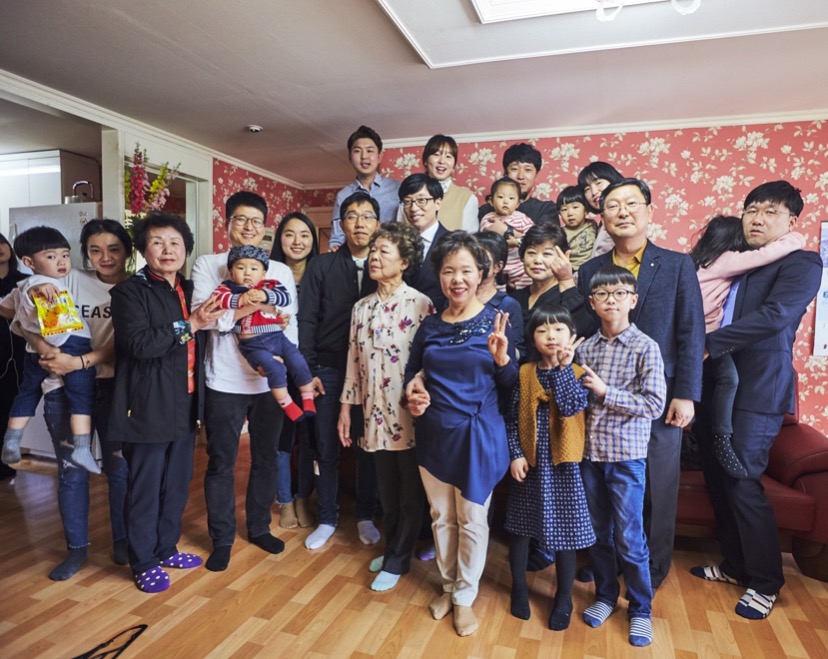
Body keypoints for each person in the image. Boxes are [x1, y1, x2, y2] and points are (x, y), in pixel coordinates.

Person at [691, 181, 821, 620]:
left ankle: (765, 581)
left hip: (758, 389)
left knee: (743, 478)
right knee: (716, 476)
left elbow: (776, 315)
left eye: (770, 211)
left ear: (791, 221)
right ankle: (734, 565)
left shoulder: (802, 262)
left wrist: (708, 344)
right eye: (751, 210)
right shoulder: (737, 260)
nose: (757, 219)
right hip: (712, 383)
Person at [577, 178, 705, 590]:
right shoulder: (590, 270)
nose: (622, 212)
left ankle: (653, 570)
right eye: (612, 205)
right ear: (603, 218)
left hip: (659, 397)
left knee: (657, 488)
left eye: (631, 203)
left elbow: (691, 332)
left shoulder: (677, 264)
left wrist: (685, 393)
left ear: (649, 211)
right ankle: (608, 565)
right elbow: (584, 332)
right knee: (604, 486)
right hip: (603, 401)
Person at [404, 231, 519, 637]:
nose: (457, 279)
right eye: (448, 271)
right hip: (434, 433)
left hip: (478, 436)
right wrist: (413, 392)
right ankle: (450, 587)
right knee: (441, 517)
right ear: (439, 276)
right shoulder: (431, 325)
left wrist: (503, 360)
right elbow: (413, 373)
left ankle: (465, 597)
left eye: (466, 270)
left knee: (471, 519)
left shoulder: (497, 321)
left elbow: (511, 386)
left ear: (481, 274)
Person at [109, 212, 224, 593]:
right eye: (157, 242)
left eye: (175, 242)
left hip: (187, 401)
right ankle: (143, 560)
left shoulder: (191, 289)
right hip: (147, 405)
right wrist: (191, 324)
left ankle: (165, 547)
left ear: (186, 249)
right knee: (145, 487)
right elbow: (140, 344)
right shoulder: (129, 293)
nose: (167, 249)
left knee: (176, 484)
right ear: (143, 250)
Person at [192, 191, 295, 572]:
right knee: (221, 461)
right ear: (227, 223)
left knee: (266, 457)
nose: (249, 227)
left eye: (256, 221)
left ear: (265, 227)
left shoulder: (280, 270)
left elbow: (289, 322)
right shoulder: (209, 264)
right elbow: (208, 319)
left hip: (269, 380)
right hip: (223, 379)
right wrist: (261, 304)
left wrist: (285, 363)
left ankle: (258, 527)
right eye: (240, 219)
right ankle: (221, 538)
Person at [338, 222, 433, 592]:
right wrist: (346, 409)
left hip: (409, 413)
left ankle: (397, 560)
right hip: (373, 413)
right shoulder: (360, 308)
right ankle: (395, 548)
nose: (374, 258)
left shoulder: (421, 304)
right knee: (386, 491)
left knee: (409, 493)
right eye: (373, 251)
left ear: (404, 261)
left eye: (383, 252)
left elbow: (429, 359)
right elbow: (352, 360)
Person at [577, 265, 667, 647]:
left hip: (626, 457)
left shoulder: (646, 347)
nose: (610, 300)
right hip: (589, 455)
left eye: (619, 293)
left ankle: (641, 609)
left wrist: (605, 392)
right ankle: (605, 595)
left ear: (633, 300)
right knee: (598, 532)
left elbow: (655, 404)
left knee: (630, 537)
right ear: (592, 302)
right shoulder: (584, 348)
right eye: (602, 294)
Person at [689, 215, 805, 478]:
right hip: (703, 336)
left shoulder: (698, 261)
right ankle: (721, 438)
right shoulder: (725, 260)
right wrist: (796, 237)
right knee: (728, 378)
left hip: (692, 335)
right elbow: (765, 255)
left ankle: (699, 433)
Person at [299, 191, 380, 550]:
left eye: (367, 216)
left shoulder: (386, 266)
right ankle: (327, 517)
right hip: (328, 368)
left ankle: (366, 514)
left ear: (378, 223)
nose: (360, 223)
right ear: (341, 224)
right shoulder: (322, 266)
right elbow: (306, 320)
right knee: (326, 445)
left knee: (368, 446)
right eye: (352, 216)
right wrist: (307, 370)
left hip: (374, 373)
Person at [505, 305, 594, 631]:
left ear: (572, 336)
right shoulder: (525, 373)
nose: (551, 336)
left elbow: (571, 407)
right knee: (519, 530)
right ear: (533, 339)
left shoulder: (578, 373)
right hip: (529, 464)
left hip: (564, 467)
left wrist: (563, 368)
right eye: (542, 330)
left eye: (558, 330)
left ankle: (564, 598)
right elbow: (511, 419)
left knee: (566, 536)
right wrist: (515, 454)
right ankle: (518, 587)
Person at [2, 227, 98, 474]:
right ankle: (82, 448)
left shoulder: (20, 286)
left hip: (33, 351)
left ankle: (12, 439)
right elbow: (39, 291)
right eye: (51, 256)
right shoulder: (46, 284)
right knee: (81, 398)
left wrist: (25, 321)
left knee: (27, 392)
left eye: (65, 255)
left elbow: (5, 309)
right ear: (28, 262)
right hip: (71, 345)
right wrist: (40, 291)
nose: (62, 261)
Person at [212, 245, 316, 422]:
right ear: (231, 272)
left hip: (278, 338)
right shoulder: (227, 288)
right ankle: (286, 403)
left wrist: (265, 296)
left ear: (263, 274)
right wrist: (240, 299)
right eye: (240, 267)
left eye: (254, 268)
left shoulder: (269, 285)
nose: (247, 273)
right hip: (252, 344)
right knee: (275, 368)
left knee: (298, 361)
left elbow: (285, 297)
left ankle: (307, 397)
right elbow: (218, 300)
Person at [270, 212, 319, 528]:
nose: (297, 241)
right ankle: (284, 499)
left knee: (309, 436)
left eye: (304, 234)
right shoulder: (267, 275)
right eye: (290, 234)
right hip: (277, 369)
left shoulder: (322, 273)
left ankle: (304, 497)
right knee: (282, 437)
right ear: (280, 239)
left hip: (311, 369)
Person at [512, 224, 591, 344]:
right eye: (531, 253)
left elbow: (582, 330)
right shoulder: (514, 298)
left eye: (547, 254)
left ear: (563, 257)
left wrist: (566, 280)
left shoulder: (568, 296)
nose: (537, 260)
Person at [329, 125, 401, 250]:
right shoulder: (343, 195)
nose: (364, 156)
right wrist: (334, 250)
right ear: (350, 157)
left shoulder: (397, 189)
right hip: (354, 257)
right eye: (357, 151)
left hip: (390, 256)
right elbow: (337, 238)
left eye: (369, 151)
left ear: (379, 157)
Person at [399, 173, 449, 310]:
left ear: (438, 203)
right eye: (407, 202)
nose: (413, 208)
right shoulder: (398, 243)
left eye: (421, 200)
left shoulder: (453, 243)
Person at [0, 232, 27, 481]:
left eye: (1, 243)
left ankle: (4, 463)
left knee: (10, 408)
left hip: (20, 356)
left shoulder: (25, 281)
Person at [478, 143, 557, 226]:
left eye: (528, 170)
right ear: (506, 173)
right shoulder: (485, 211)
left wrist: (507, 230)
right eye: (514, 169)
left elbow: (547, 234)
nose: (520, 176)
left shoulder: (546, 209)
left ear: (536, 175)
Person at [474, 231, 525, 358]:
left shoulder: (508, 305)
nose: (475, 265)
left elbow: (519, 352)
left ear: (498, 266)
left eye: (482, 260)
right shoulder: (457, 299)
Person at [479, 177, 534, 290]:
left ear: (518, 203)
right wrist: (517, 234)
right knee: (495, 289)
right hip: (497, 266)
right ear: (491, 201)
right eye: (500, 197)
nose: (505, 201)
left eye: (511, 198)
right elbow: (489, 238)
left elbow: (533, 238)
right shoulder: (488, 218)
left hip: (519, 265)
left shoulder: (522, 219)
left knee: (527, 284)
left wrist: (515, 240)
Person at [421, 134, 478, 232]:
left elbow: (470, 238)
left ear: (454, 165)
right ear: (425, 161)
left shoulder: (466, 198)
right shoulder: (410, 195)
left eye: (448, 156)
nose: (442, 161)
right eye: (436, 154)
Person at [577, 161, 623, 259]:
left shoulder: (623, 218)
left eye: (598, 183)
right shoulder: (601, 223)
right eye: (587, 189)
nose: (594, 192)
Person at [556, 185, 597, 275]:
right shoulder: (561, 233)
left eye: (575, 207)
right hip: (572, 271)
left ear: (586, 210)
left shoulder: (592, 225)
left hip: (593, 267)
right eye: (564, 209)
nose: (570, 213)